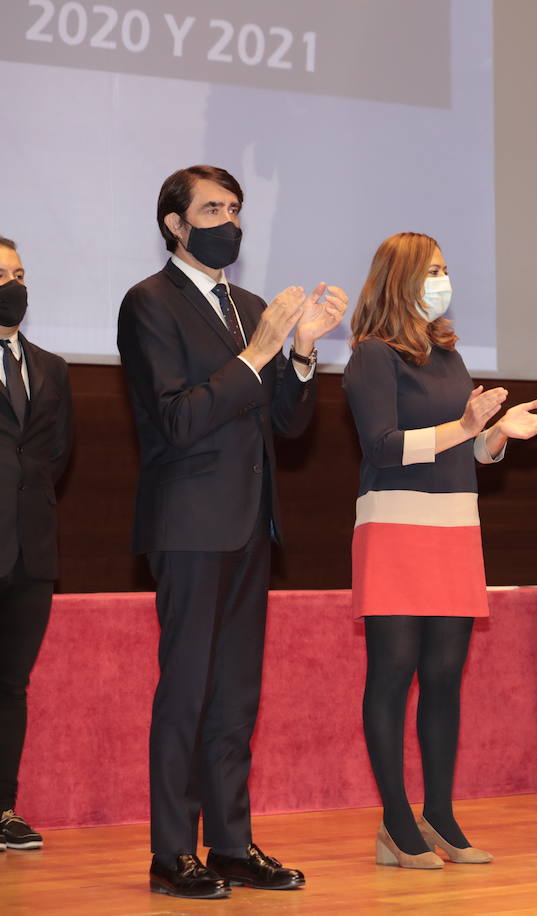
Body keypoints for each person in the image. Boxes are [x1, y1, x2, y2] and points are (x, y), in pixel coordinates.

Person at [116, 165, 348, 899]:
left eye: (236, 208)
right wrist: (256, 355)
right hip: (187, 523)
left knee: (235, 694)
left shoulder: (253, 306)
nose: (230, 220)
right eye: (213, 208)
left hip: (251, 524)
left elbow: (288, 422)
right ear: (175, 225)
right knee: (186, 690)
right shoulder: (148, 304)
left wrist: (302, 350)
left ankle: (232, 844)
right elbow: (178, 418)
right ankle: (171, 852)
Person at [344, 232, 537, 869]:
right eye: (430, 270)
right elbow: (382, 446)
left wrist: (495, 437)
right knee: (394, 672)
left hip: (455, 527)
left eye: (444, 269)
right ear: (398, 279)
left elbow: (461, 451)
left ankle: (439, 814)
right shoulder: (372, 357)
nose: (442, 280)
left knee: (442, 678)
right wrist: (465, 428)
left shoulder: (448, 355)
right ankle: (395, 820)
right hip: (396, 527)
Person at [0, 237, 72, 853]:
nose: (13, 285)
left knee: (9, 685)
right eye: (0, 275)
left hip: (30, 552)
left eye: (19, 274)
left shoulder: (52, 366)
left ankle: (2, 808)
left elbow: (54, 454)